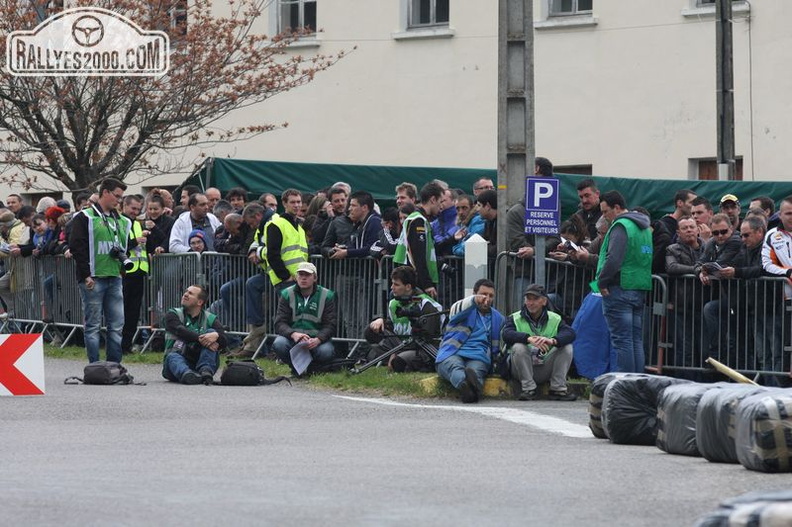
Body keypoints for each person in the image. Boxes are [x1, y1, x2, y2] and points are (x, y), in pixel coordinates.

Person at [68, 178, 131, 363]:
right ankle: (94, 365)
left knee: (117, 325)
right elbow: (76, 246)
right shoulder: (84, 217)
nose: (119, 201)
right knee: (93, 325)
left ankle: (114, 365)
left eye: (121, 197)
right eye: (117, 196)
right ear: (105, 192)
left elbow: (125, 246)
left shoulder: (122, 220)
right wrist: (85, 274)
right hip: (93, 278)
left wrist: (122, 269)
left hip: (114, 276)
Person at [592, 191, 652, 373]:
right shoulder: (644, 227)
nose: (604, 216)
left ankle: (626, 386)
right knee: (635, 340)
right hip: (638, 286)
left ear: (616, 208)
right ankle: (637, 383)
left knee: (622, 340)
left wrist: (601, 282)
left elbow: (614, 258)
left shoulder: (621, 226)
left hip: (618, 288)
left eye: (605, 211)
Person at [501, 284, 577, 401]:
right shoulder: (514, 318)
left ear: (544, 301)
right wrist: (527, 339)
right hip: (521, 369)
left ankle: (558, 389)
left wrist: (553, 340)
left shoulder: (555, 318)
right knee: (518, 347)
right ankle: (528, 389)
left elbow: (571, 334)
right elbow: (506, 334)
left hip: (545, 366)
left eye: (535, 299)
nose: (531, 303)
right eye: (528, 299)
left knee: (567, 347)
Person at [435, 278, 505, 403]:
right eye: (483, 294)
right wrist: (474, 300)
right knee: (454, 367)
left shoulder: (498, 318)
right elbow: (454, 309)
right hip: (452, 352)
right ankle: (470, 389)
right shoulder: (464, 308)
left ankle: (469, 390)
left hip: (478, 356)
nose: (487, 299)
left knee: (476, 371)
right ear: (474, 293)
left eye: (491, 296)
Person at [365, 266, 443, 372]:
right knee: (371, 331)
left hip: (424, 347)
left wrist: (396, 352)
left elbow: (425, 337)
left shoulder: (426, 304)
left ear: (408, 287)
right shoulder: (394, 302)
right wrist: (381, 321)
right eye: (392, 283)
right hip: (403, 343)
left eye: (396, 285)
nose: (392, 287)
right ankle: (391, 358)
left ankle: (398, 359)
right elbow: (392, 326)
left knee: (398, 362)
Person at [272, 262, 337, 375]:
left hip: (316, 341)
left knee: (327, 351)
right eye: (300, 275)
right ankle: (295, 368)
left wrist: (318, 339)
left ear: (315, 278)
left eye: (307, 275)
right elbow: (279, 322)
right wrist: (293, 334)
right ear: (296, 277)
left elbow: (331, 324)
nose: (303, 278)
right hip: (294, 339)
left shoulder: (327, 295)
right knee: (279, 343)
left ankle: (313, 368)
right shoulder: (287, 294)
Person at [162, 285, 227, 385]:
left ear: (200, 302)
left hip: (200, 361)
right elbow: (181, 331)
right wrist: (202, 339)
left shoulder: (210, 318)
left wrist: (216, 335)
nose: (185, 294)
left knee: (212, 332)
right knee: (172, 357)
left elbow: (224, 341)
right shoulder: (173, 314)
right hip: (176, 363)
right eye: (186, 291)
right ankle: (187, 375)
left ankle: (206, 371)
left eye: (190, 293)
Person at [664, 216, 704, 367]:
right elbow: (671, 267)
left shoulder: (707, 246)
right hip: (681, 307)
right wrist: (696, 270)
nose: (689, 230)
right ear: (678, 232)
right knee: (684, 348)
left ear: (697, 229)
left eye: (691, 227)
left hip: (702, 305)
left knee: (703, 348)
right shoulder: (672, 249)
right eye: (684, 228)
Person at [394, 181, 443, 299]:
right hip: (415, 281)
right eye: (440, 202)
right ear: (433, 200)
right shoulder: (418, 220)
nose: (441, 206)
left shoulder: (418, 218)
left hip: (410, 277)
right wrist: (427, 283)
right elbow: (418, 254)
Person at [120, 195, 148, 355]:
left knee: (133, 313)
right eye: (133, 208)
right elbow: (117, 246)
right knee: (121, 312)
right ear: (124, 206)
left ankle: (126, 345)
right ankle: (118, 345)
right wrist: (135, 241)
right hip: (124, 273)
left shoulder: (137, 224)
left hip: (138, 272)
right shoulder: (119, 223)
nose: (135, 212)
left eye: (138, 209)